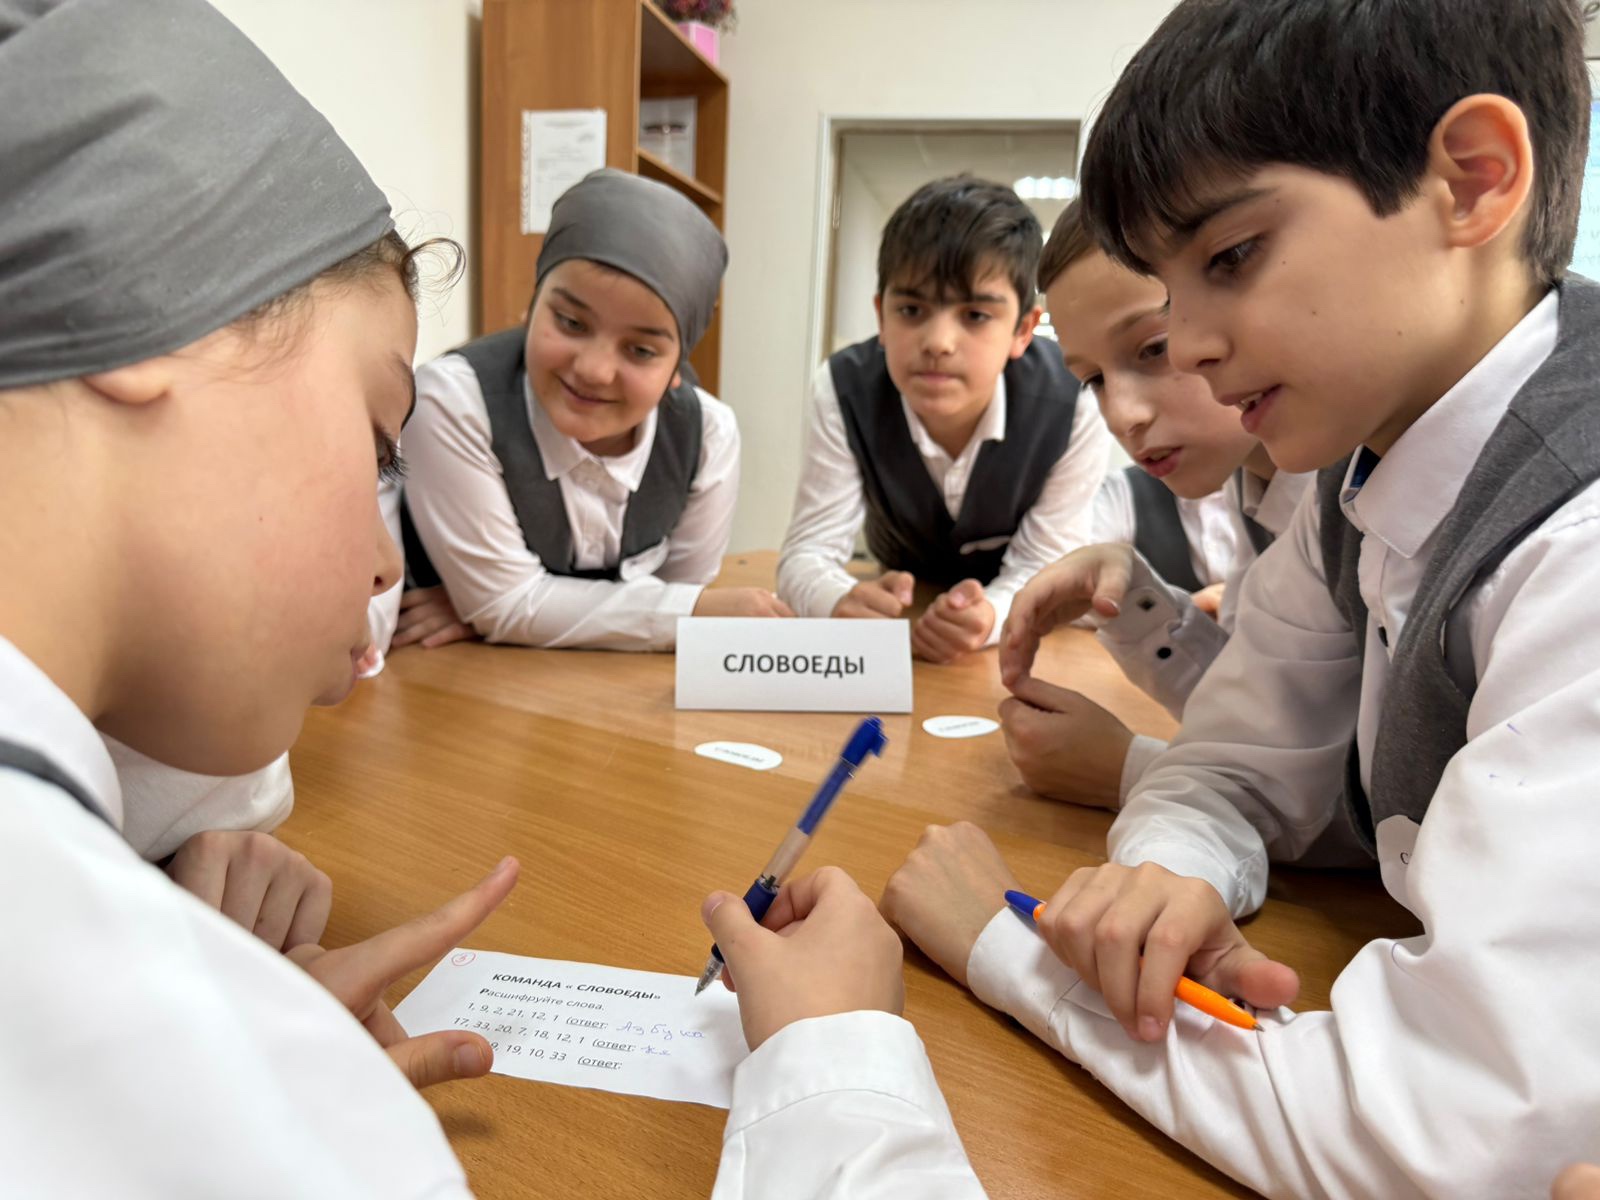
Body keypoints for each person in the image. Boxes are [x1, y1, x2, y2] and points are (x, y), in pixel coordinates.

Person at [886, 0, 1600, 1193]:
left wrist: (1017, 958)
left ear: (1472, 179)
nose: (1189, 345)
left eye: (1228, 258)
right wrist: (1170, 875)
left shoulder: (1577, 535)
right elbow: (1232, 763)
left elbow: (1439, 1129)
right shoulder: (1359, 470)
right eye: (1169, 294)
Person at [401, 170, 790, 652]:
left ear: (677, 368)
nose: (594, 370)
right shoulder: (454, 401)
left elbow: (680, 595)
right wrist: (505, 608)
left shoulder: (709, 435)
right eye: (570, 322)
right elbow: (678, 610)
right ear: (531, 306)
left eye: (641, 351)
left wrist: (516, 609)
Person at [777, 176, 1110, 663]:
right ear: (881, 317)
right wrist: (837, 600)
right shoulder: (842, 387)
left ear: (1023, 330)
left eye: (975, 316)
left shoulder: (1075, 401)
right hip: (902, 620)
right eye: (911, 309)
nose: (938, 342)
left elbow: (1046, 564)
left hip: (1013, 636)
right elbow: (807, 552)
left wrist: (990, 616)